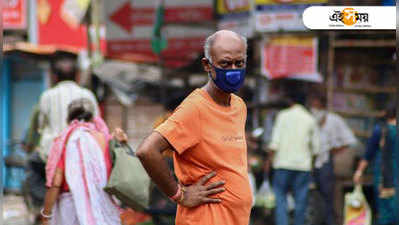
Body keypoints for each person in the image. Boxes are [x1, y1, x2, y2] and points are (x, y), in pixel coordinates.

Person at [136, 30, 252, 225]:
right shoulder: (195, 108)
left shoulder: (239, 106)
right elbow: (147, 151)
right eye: (225, 63)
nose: (233, 70)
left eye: (239, 63)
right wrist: (179, 195)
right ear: (208, 65)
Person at [40, 98, 122, 225]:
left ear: (69, 117)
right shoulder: (104, 138)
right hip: (102, 204)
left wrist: (46, 215)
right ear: (92, 117)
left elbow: (56, 181)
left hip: (71, 208)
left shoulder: (65, 140)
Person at [267, 90, 320, 225]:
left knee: (280, 198)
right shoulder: (310, 119)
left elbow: (274, 143)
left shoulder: (283, 116)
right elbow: (316, 148)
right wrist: (311, 165)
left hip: (282, 164)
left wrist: (269, 162)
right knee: (301, 200)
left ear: (291, 101)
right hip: (303, 166)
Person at [38, 52, 99, 162]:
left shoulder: (47, 96)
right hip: (82, 154)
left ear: (55, 76)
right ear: (77, 75)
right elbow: (97, 124)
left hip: (53, 154)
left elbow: (41, 125)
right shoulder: (87, 95)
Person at [308, 93, 357, 225]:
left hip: (325, 162)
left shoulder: (334, 120)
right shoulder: (309, 119)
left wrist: (334, 151)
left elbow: (350, 140)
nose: (313, 107)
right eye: (312, 105)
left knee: (327, 196)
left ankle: (329, 221)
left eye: (315, 105)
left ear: (322, 105)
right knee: (313, 196)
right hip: (309, 162)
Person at [353, 106, 398, 225]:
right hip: (392, 179)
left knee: (384, 213)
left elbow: (368, 154)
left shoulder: (380, 130)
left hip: (383, 180)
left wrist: (359, 172)